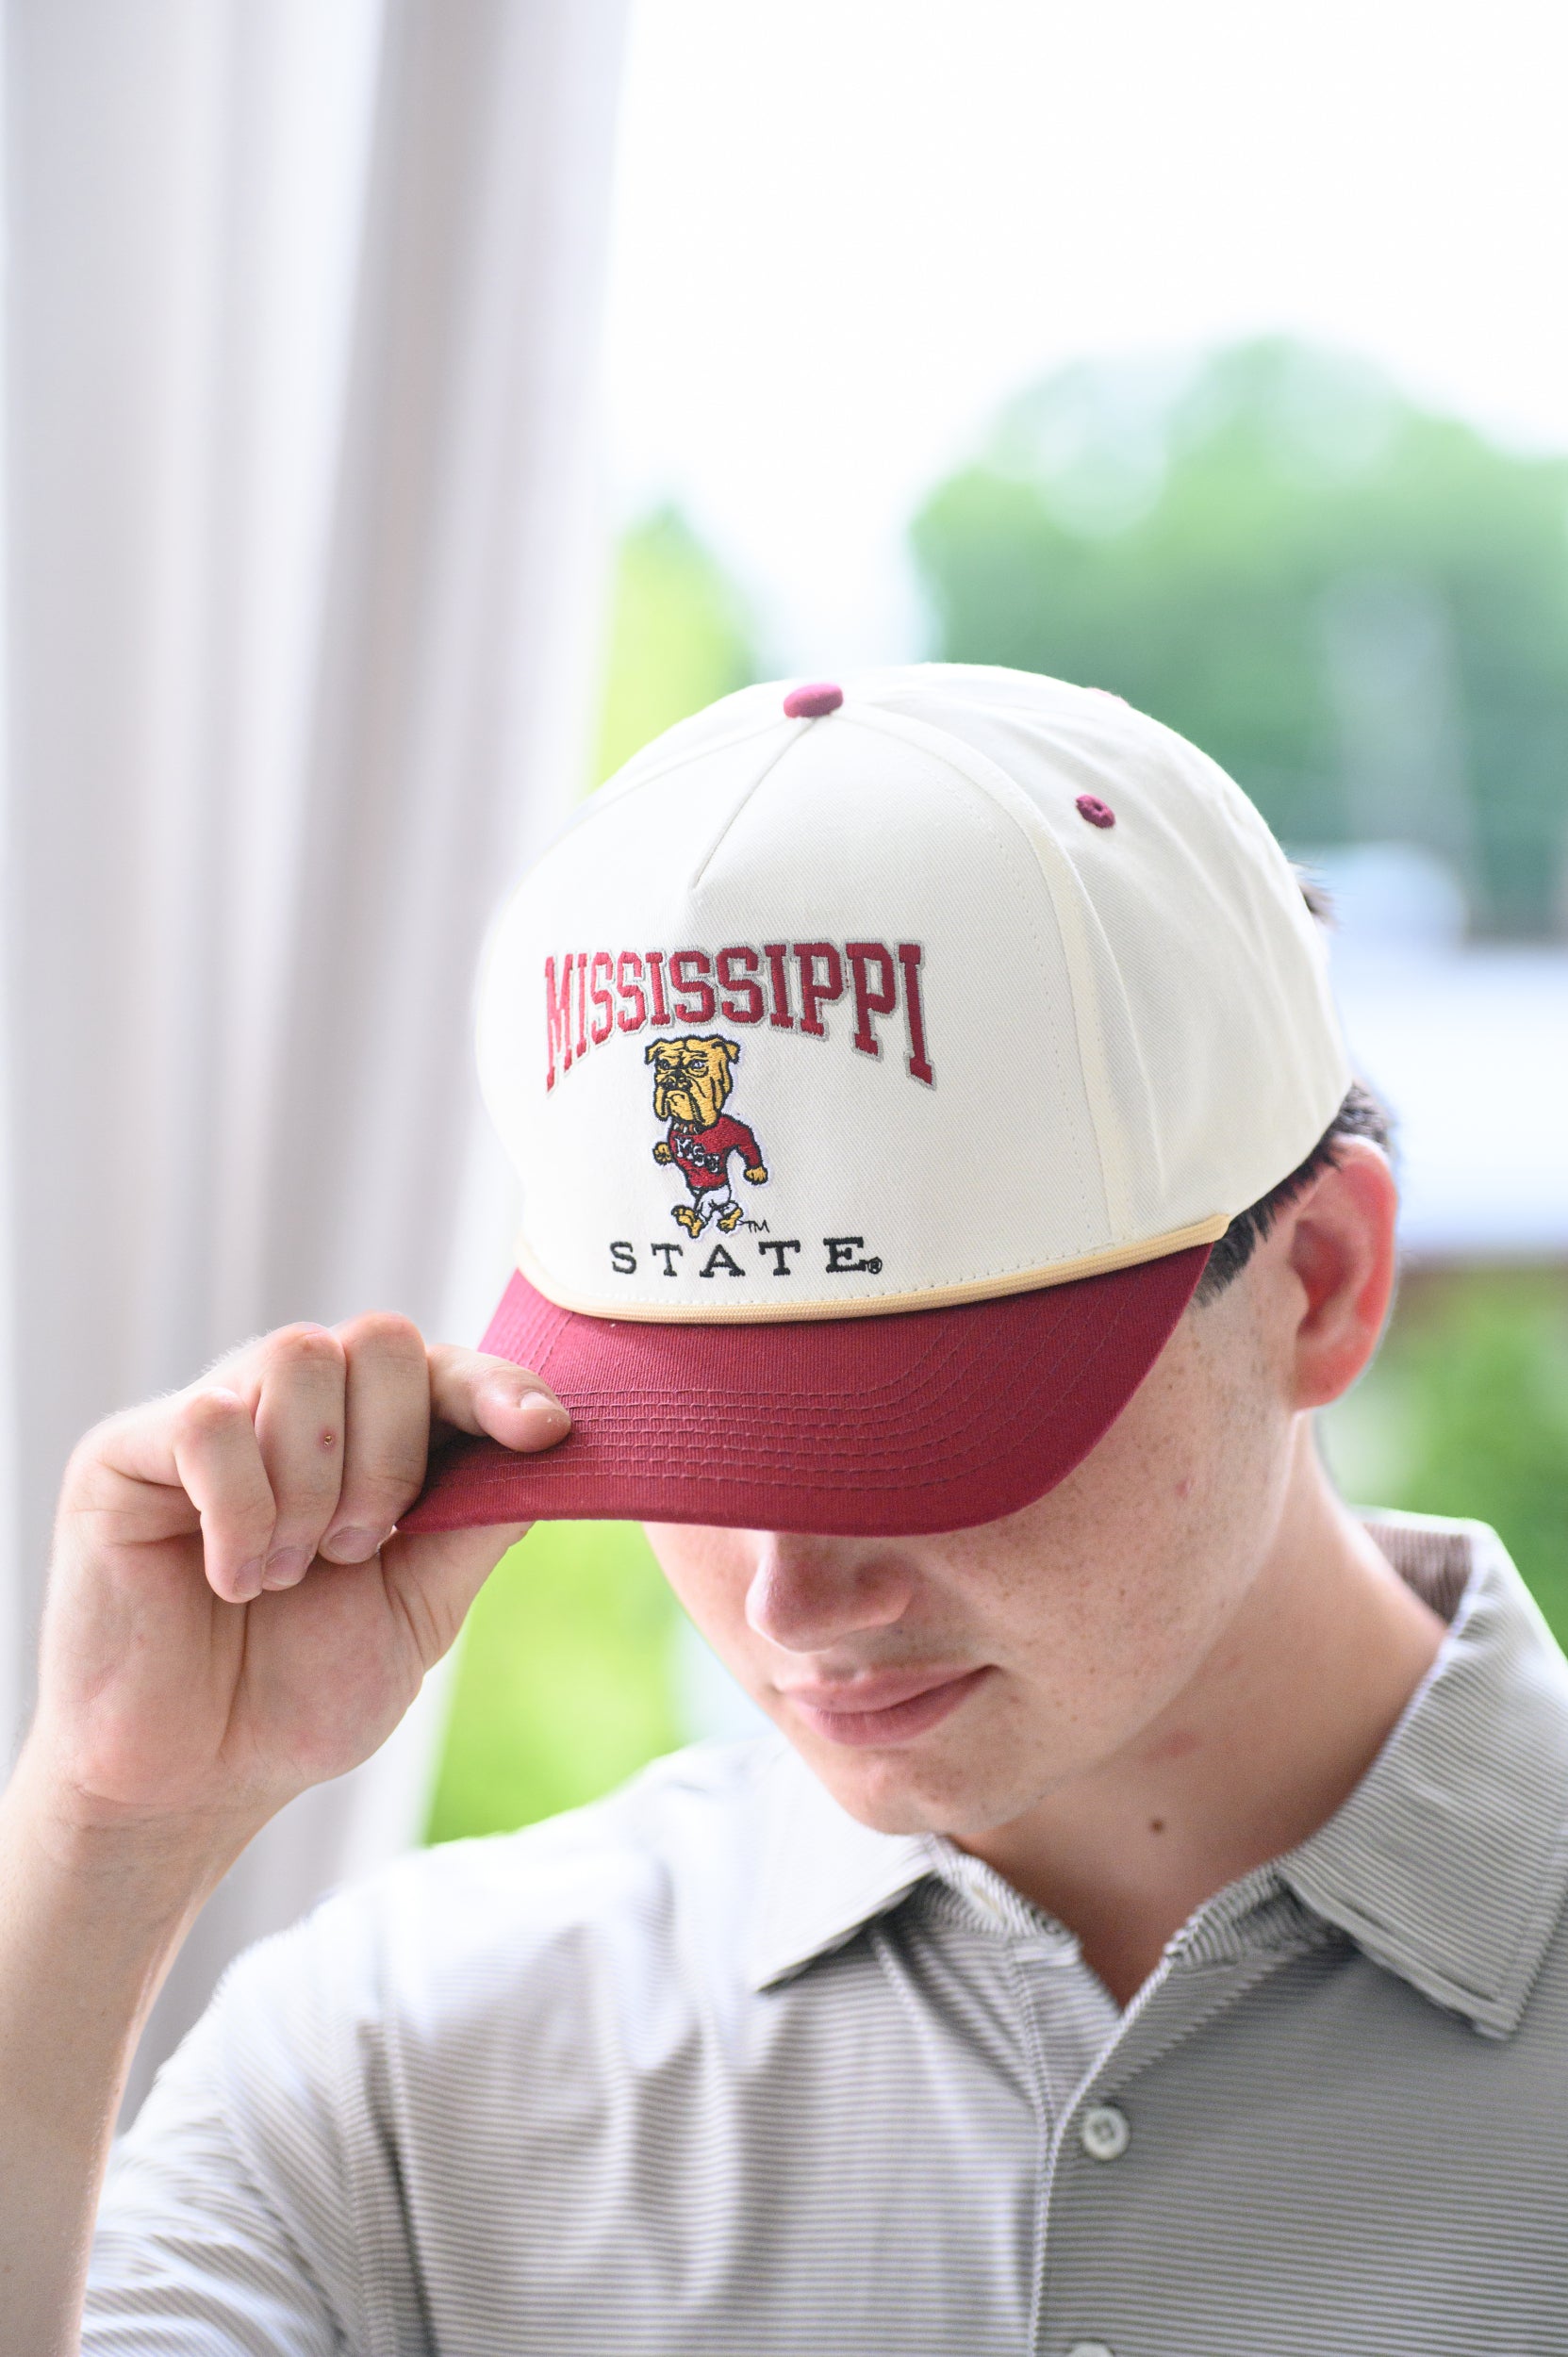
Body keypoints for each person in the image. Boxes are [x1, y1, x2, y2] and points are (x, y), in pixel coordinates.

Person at [2, 667, 1564, 2357]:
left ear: (1319, 1282)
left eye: (913, 1449)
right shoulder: (397, 2070)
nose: (788, 1606)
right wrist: (108, 1839)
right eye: (685, 1445)